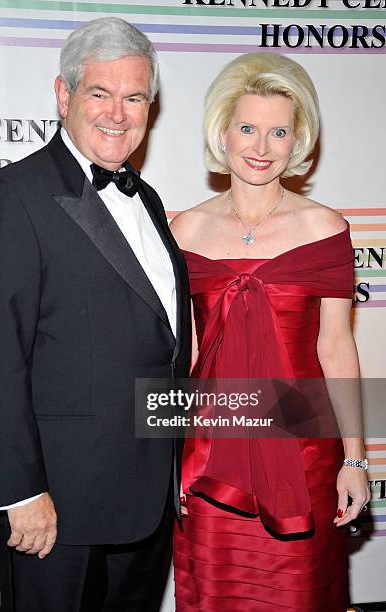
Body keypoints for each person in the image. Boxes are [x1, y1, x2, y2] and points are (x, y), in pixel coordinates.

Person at [0, 17, 191, 612]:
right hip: (54, 510)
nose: (119, 112)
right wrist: (20, 492)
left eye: (135, 96)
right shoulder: (11, 196)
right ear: (64, 96)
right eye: (100, 93)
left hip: (146, 503)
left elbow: (160, 347)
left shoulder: (151, 200)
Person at [171, 53, 370, 611]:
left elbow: (336, 348)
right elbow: (181, 352)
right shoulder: (184, 229)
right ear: (223, 132)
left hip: (303, 452)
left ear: (298, 138)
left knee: (300, 594)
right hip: (210, 451)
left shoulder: (324, 228)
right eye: (248, 128)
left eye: (279, 130)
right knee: (215, 593)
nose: (261, 146)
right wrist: (161, 458)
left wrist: (354, 459)